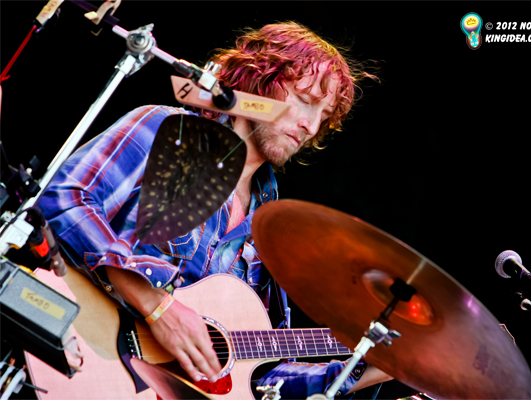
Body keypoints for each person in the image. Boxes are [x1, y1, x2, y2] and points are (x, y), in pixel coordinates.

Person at [38, 21, 391, 399]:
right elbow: (60, 200)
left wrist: (362, 372)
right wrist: (158, 308)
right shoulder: (169, 132)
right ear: (260, 81)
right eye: (305, 101)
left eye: (324, 114)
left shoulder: (270, 227)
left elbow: (260, 376)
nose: (311, 125)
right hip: (72, 349)